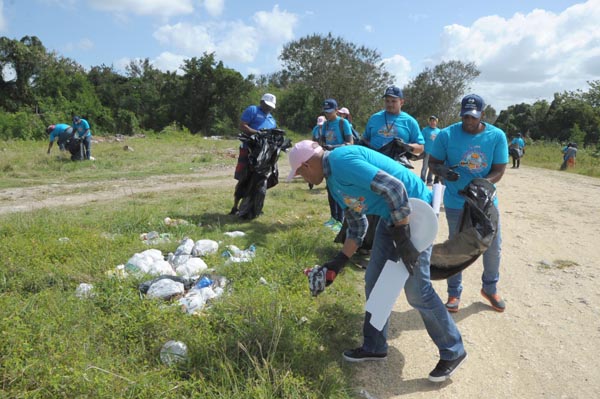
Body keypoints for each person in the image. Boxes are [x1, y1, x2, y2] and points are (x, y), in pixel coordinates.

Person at [287, 140, 467, 383]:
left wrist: (403, 237)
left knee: (416, 289)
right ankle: (374, 345)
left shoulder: (341, 161)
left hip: (416, 211)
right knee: (374, 278)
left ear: (307, 164)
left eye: (299, 172)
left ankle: (453, 350)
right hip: (391, 216)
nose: (303, 178)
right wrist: (339, 261)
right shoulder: (334, 181)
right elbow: (358, 223)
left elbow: (394, 189)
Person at [429, 94, 508, 313]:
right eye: (465, 117)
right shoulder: (446, 135)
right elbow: (434, 163)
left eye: (473, 117)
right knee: (456, 246)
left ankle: (490, 288)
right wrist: (442, 171)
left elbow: (499, 169)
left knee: (493, 246)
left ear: (482, 114)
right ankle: (454, 293)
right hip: (456, 200)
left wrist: (482, 183)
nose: (469, 121)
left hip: (484, 202)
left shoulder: (496, 136)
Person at [230, 93, 277, 216]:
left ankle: (255, 206)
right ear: (261, 102)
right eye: (267, 105)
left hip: (264, 154)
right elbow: (243, 125)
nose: (268, 108)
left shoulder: (272, 119)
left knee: (260, 179)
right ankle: (235, 206)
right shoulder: (253, 110)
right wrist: (257, 133)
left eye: (271, 107)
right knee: (244, 177)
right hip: (249, 150)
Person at [320, 98, 353, 232]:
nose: (327, 114)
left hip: (341, 161)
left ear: (336, 110)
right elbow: (322, 141)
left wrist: (334, 147)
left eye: (330, 111)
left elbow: (350, 143)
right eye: (325, 111)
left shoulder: (342, 123)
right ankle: (333, 217)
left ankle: (341, 220)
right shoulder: (325, 125)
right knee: (330, 190)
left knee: (341, 191)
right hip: (328, 161)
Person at [363, 85, 424, 156]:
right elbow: (364, 139)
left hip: (396, 164)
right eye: (387, 101)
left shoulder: (409, 121)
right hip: (374, 162)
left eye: (393, 101)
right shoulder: (374, 118)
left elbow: (420, 147)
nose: (390, 104)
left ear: (401, 102)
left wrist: (405, 147)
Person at [420, 115, 441, 185]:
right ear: (429, 122)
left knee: (432, 168)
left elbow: (440, 142)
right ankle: (422, 180)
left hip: (434, 153)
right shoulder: (425, 130)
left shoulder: (439, 131)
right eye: (431, 121)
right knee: (425, 167)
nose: (432, 122)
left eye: (434, 121)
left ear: (436, 122)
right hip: (426, 152)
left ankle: (429, 181)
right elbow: (421, 140)